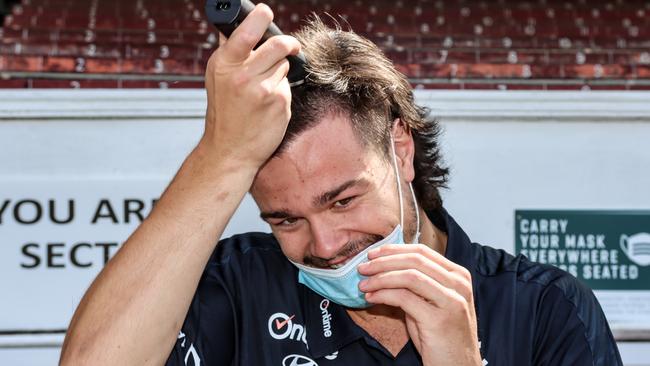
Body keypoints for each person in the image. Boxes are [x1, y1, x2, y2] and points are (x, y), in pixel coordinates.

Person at [60, 4, 623, 365]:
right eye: (286, 219)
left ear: (400, 150)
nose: (325, 247)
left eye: (344, 199)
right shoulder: (237, 287)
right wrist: (221, 157)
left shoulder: (546, 309)